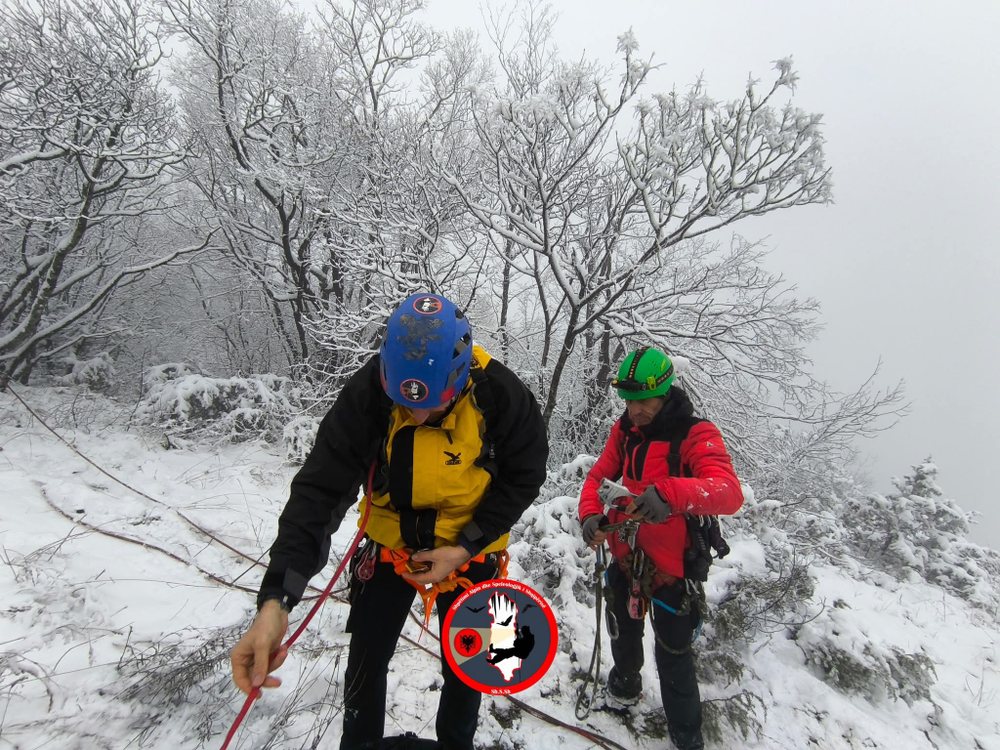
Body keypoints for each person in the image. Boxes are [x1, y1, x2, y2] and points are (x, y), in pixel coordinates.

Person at [231, 292, 548, 750]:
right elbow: (320, 491)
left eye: (430, 407)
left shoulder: (500, 394)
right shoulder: (369, 394)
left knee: (469, 670)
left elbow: (524, 475)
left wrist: (464, 546)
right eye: (406, 402)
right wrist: (277, 601)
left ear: (458, 381)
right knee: (365, 663)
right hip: (389, 545)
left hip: (472, 549)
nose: (416, 415)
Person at [578, 346, 743, 750]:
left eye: (643, 402)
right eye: (629, 402)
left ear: (665, 391)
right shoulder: (625, 431)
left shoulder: (696, 434)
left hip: (671, 570)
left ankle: (687, 739)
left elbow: (728, 492)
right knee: (624, 634)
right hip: (624, 554)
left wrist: (669, 495)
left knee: (674, 658)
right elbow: (599, 476)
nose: (635, 411)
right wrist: (589, 517)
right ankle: (624, 687)